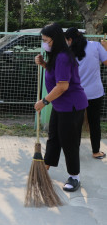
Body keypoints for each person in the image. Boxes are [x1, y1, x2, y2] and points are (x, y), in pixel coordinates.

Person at [35, 23, 88, 192]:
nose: (44, 43)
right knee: (54, 138)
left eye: (46, 40)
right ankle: (45, 168)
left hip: (71, 105)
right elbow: (56, 74)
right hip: (60, 105)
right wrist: (44, 64)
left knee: (69, 142)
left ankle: (74, 177)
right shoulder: (57, 55)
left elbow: (63, 86)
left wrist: (44, 101)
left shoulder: (63, 57)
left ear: (55, 40)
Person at [65, 28, 107, 159]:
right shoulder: (96, 46)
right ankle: (96, 151)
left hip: (76, 93)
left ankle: (74, 153)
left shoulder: (67, 52)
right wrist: (105, 48)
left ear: (70, 39)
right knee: (94, 122)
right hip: (95, 92)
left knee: (75, 123)